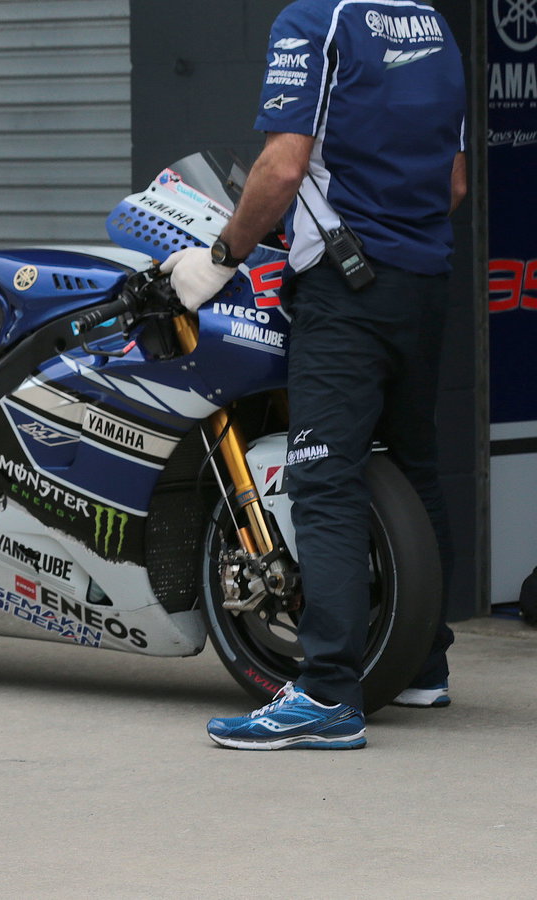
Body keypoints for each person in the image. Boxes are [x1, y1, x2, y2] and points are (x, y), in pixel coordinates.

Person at [160, 0, 466, 749]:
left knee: (326, 477)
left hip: (345, 287)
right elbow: (453, 184)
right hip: (423, 281)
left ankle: (328, 693)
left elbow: (284, 166)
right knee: (414, 465)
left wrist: (222, 256)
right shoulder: (435, 24)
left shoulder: (312, 21)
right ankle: (422, 663)